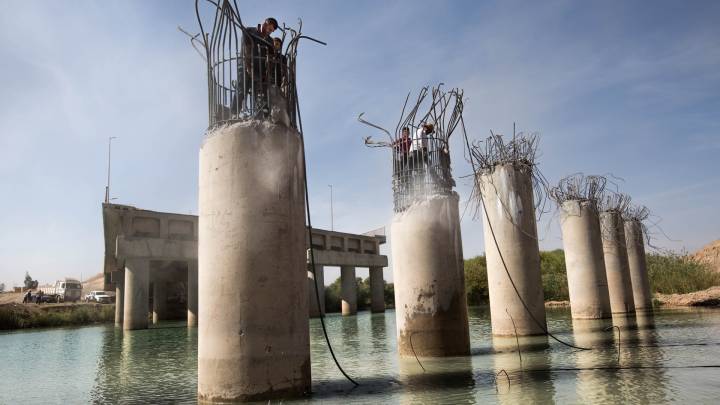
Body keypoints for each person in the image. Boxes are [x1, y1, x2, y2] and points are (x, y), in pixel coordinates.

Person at [234, 17, 278, 114]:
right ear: (265, 24)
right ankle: (234, 114)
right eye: (269, 29)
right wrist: (249, 69)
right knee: (241, 90)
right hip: (245, 67)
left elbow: (269, 59)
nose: (270, 32)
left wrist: (266, 73)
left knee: (259, 94)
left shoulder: (270, 41)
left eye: (272, 31)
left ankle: (258, 116)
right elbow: (246, 52)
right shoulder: (249, 31)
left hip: (259, 72)